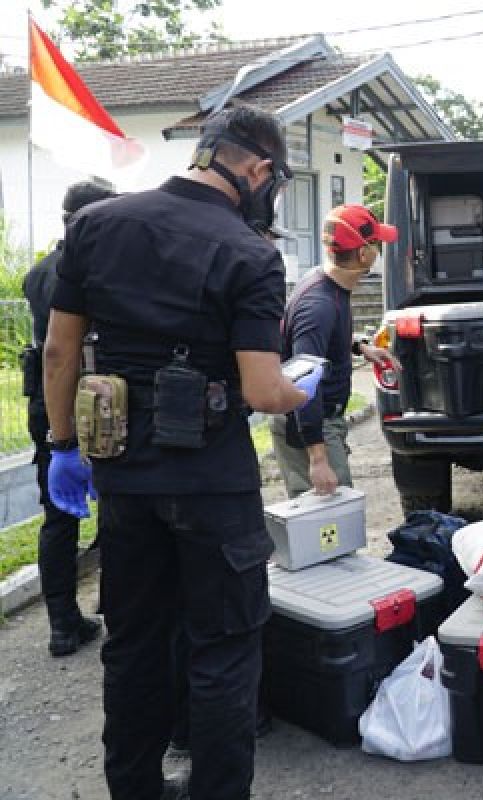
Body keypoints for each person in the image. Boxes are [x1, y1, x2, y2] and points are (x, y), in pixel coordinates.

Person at [43, 106, 323, 800]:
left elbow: (59, 351)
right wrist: (302, 386)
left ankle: (134, 789)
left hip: (123, 477)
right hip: (211, 483)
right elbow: (262, 389)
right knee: (224, 649)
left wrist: (62, 446)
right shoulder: (251, 254)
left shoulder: (95, 226)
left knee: (133, 644)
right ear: (258, 170)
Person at [21, 179, 115, 657]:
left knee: (57, 515)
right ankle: (115, 608)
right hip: (98, 401)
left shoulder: (38, 272)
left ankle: (62, 623)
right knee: (119, 508)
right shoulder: (96, 270)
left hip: (47, 403)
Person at [269, 203, 396, 497]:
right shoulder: (319, 306)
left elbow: (314, 343)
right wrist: (318, 459)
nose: (380, 252)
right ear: (364, 253)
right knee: (329, 528)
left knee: (331, 527)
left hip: (317, 423)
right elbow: (303, 381)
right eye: (377, 244)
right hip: (311, 426)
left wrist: (357, 346)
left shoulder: (327, 284)